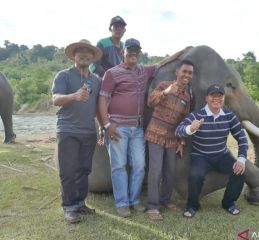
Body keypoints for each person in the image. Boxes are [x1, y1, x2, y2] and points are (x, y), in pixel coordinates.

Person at [98, 38, 189, 217]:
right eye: (130, 50)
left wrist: (183, 51)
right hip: (118, 127)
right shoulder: (112, 73)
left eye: (136, 51)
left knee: (139, 165)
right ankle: (122, 203)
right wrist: (106, 125)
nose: (133, 54)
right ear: (123, 52)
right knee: (119, 165)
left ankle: (135, 200)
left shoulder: (143, 71)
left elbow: (162, 62)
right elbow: (103, 99)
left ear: (139, 53)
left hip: (137, 127)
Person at [175, 84, 248, 218]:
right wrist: (191, 128)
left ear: (223, 98)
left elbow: (242, 138)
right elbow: (178, 131)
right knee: (195, 176)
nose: (216, 99)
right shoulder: (197, 115)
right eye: (213, 96)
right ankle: (192, 205)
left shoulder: (229, 115)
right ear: (206, 98)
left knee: (240, 172)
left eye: (219, 96)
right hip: (200, 156)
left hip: (221, 155)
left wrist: (241, 159)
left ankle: (228, 203)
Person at [52, 39, 103, 223]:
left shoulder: (96, 80)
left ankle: (80, 203)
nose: (84, 54)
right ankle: (69, 207)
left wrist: (103, 127)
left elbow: (98, 106)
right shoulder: (63, 76)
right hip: (67, 130)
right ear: (74, 55)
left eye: (88, 52)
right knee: (68, 170)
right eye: (80, 51)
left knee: (84, 169)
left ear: (92, 57)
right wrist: (74, 96)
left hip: (88, 131)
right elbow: (55, 99)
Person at [145, 60, 194, 220]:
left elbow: (184, 120)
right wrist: (166, 92)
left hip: (172, 139)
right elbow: (150, 102)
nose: (186, 75)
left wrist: (181, 141)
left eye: (190, 73)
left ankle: (165, 200)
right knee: (155, 171)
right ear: (177, 72)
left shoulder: (187, 96)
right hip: (155, 135)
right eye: (184, 71)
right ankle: (152, 206)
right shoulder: (163, 85)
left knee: (170, 171)